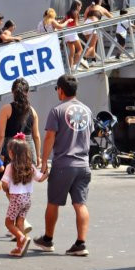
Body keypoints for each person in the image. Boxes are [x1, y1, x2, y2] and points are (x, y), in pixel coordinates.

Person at [34, 74, 93, 256]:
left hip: (63, 164)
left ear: (60, 89)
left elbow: (50, 137)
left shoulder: (57, 110)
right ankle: (81, 243)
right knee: (80, 204)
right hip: (83, 164)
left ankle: (48, 240)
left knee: (53, 203)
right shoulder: (87, 110)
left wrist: (44, 162)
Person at [2, 139, 47, 257]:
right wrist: (48, 172)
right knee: (20, 222)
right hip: (27, 199)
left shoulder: (10, 167)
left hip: (16, 198)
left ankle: (22, 238)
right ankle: (19, 247)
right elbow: (41, 179)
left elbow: (4, 184)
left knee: (9, 223)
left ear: (12, 153)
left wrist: (6, 190)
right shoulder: (30, 167)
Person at [0, 77, 41, 166]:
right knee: (27, 179)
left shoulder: (6, 109)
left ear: (12, 91)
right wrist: (38, 156)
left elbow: (1, 135)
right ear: (27, 93)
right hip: (29, 152)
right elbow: (36, 136)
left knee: (9, 178)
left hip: (11, 150)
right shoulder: (33, 111)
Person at [63, 0, 85, 70]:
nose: (80, 8)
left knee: (72, 52)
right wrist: (81, 25)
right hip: (72, 33)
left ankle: (71, 67)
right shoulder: (76, 13)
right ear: (77, 6)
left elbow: (63, 21)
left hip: (67, 33)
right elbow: (76, 24)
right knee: (80, 50)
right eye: (80, 6)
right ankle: (75, 64)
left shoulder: (68, 13)